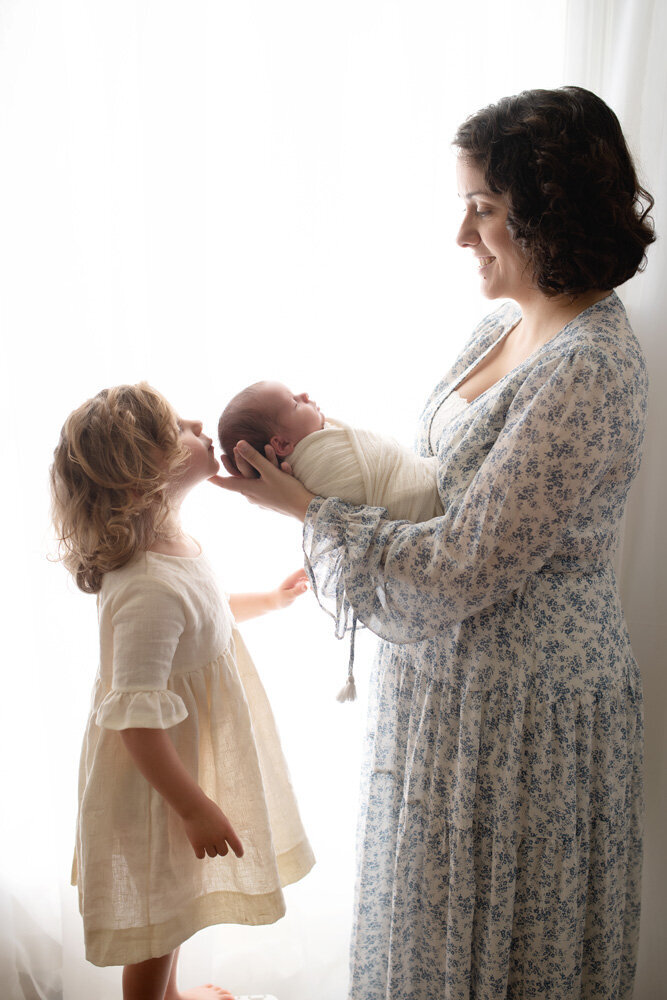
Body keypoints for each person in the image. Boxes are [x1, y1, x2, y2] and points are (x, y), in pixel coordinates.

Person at [211, 86, 654, 1000]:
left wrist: (308, 511)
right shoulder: (499, 322)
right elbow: (428, 487)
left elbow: (462, 564)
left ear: (547, 211)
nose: (461, 235)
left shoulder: (589, 364)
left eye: (482, 210)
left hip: (519, 715)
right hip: (449, 698)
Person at [50, 382, 314, 1000]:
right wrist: (192, 806)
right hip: (158, 781)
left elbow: (208, 615)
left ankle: (169, 996)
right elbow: (136, 724)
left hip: (185, 760)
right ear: (145, 473)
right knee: (157, 915)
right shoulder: (144, 587)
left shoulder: (173, 548)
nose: (199, 423)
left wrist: (270, 602)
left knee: (178, 900)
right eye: (180, 428)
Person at [218, 380, 443, 522]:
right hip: (427, 505)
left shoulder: (321, 443)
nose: (304, 395)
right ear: (283, 445)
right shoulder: (315, 463)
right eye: (295, 403)